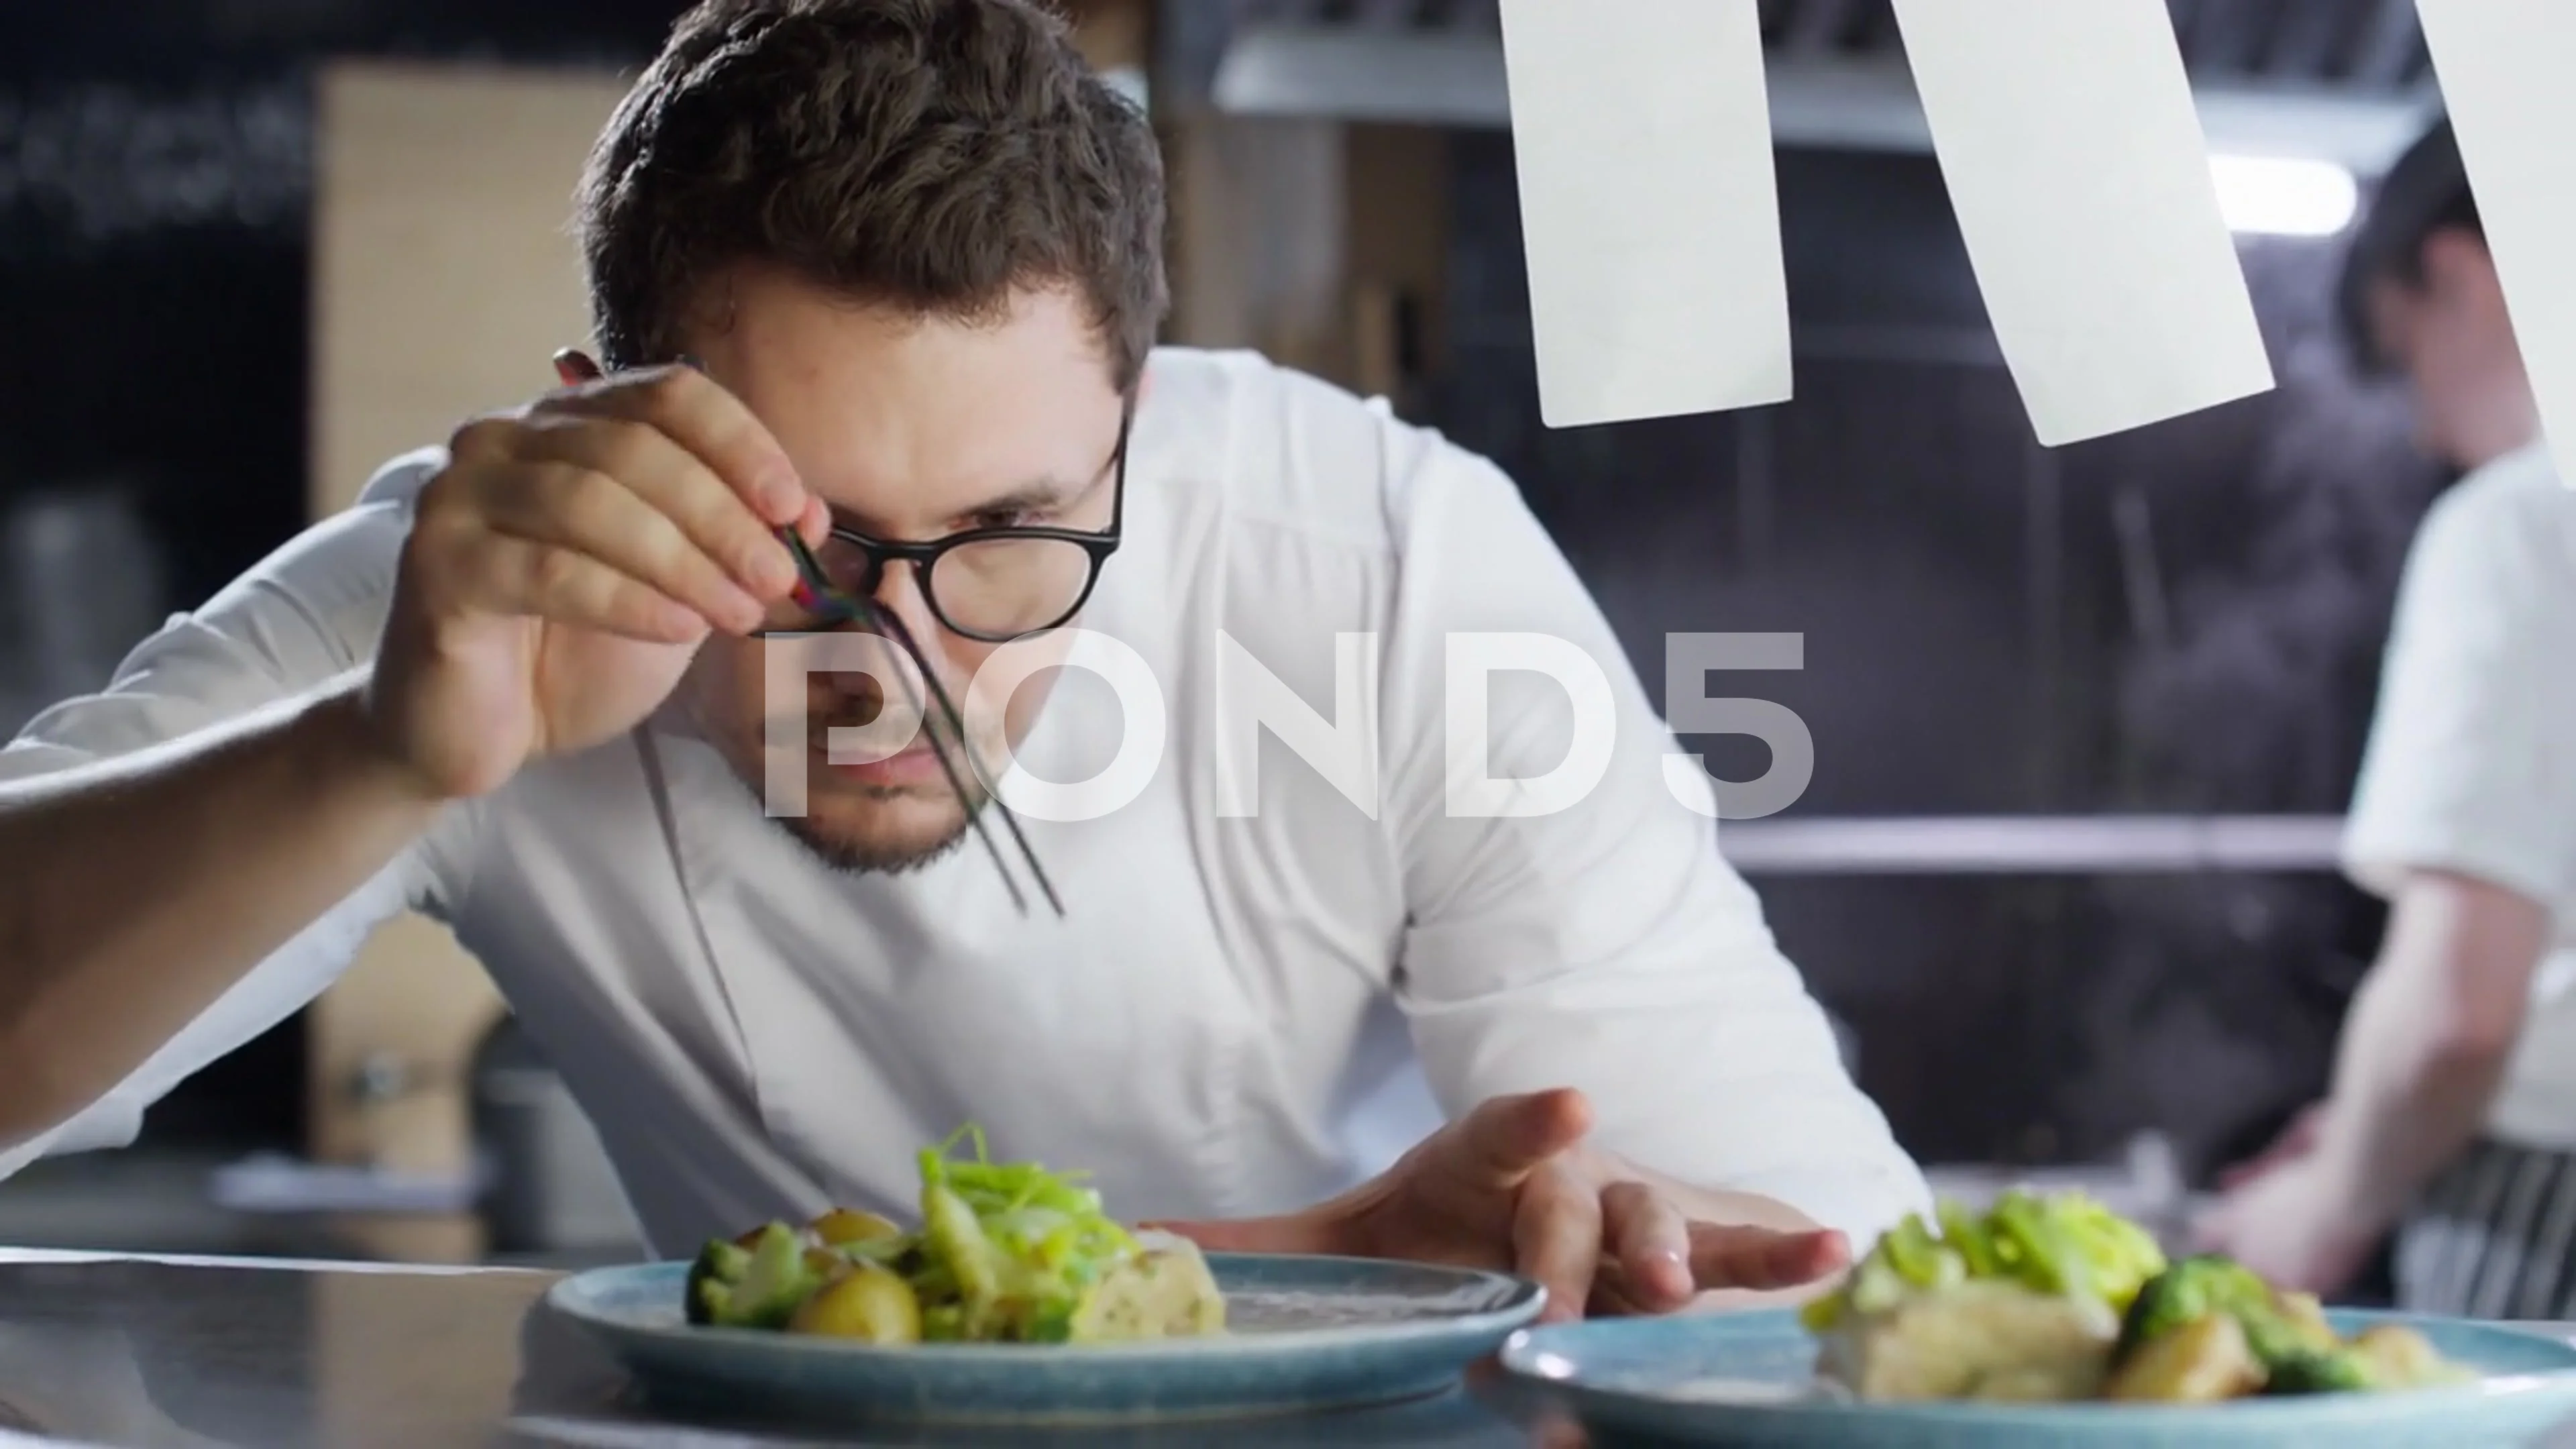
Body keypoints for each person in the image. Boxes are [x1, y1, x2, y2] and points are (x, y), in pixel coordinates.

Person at [0, 0, 1925, 1318]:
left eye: (1008, 538)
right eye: (797, 546)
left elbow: (1829, 1262)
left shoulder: (1391, 562)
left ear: (1133, 429)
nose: (894, 663)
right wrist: (369, 760)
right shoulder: (470, 588)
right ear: (598, 432)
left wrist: (1613, 1246)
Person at [2198, 117, 2576, 1318]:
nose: (2421, 425)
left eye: (2409, 357)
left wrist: (2332, 1199)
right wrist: (2370, 1125)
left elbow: (2458, 1018)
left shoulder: (2520, 521)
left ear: (2465, 272)